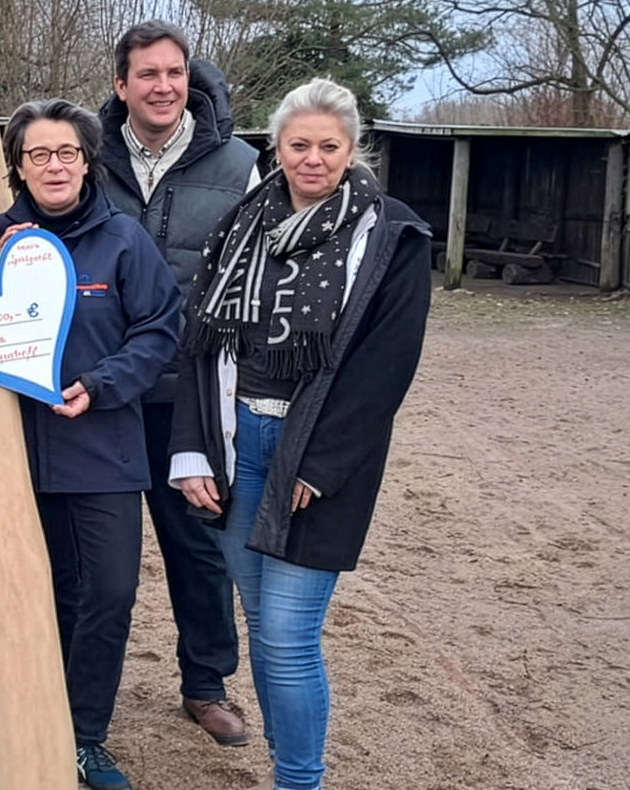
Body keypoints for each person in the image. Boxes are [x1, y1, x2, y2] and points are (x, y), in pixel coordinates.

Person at [169, 78, 432, 790]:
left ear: (352, 149)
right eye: (299, 145)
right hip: (239, 444)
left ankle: (298, 780)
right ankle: (287, 763)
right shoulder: (241, 225)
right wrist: (194, 450)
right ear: (277, 147)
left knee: (287, 637)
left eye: (329, 146)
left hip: (313, 457)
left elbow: (386, 365)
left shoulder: (391, 235)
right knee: (262, 623)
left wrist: (319, 465)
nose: (313, 159)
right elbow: (202, 344)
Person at [0, 98, 181, 790]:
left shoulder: (123, 240)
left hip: (104, 447)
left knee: (108, 591)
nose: (54, 166)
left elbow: (160, 328)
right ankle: (32, 715)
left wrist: (102, 384)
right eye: (38, 154)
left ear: (87, 161)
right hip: (17, 454)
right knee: (41, 591)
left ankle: (83, 735)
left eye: (67, 152)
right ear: (18, 166)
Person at [98, 19, 259, 745]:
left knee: (198, 548)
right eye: (148, 74)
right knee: (95, 555)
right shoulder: (90, 158)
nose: (163, 87)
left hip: (188, 392)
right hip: (102, 389)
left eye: (174, 73)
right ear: (121, 85)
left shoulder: (240, 165)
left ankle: (206, 683)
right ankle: (76, 682)